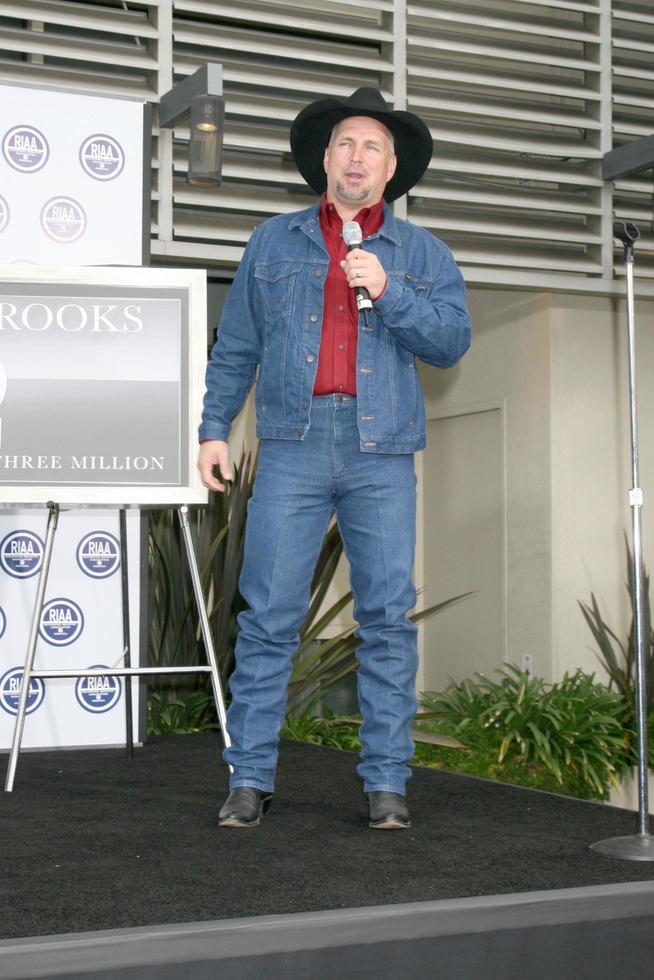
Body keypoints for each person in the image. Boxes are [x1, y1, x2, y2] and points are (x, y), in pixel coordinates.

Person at [198, 87, 471, 830]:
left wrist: (390, 293)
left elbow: (450, 343)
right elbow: (238, 347)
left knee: (386, 617)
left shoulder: (422, 254)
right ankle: (249, 779)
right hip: (291, 442)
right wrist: (212, 428)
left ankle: (387, 784)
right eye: (345, 143)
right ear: (326, 159)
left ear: (391, 169)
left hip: (381, 449)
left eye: (372, 147)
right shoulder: (273, 241)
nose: (357, 156)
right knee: (268, 617)